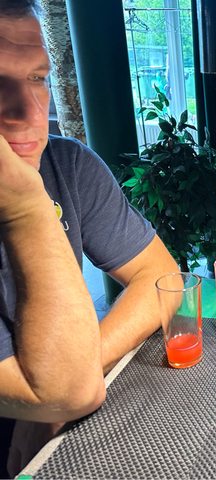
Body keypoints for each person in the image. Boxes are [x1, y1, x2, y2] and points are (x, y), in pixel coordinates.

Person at [0, 0, 179, 472]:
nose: (26, 112)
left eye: (37, 78)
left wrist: (79, 368)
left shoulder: (68, 163)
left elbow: (161, 277)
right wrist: (26, 207)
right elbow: (69, 392)